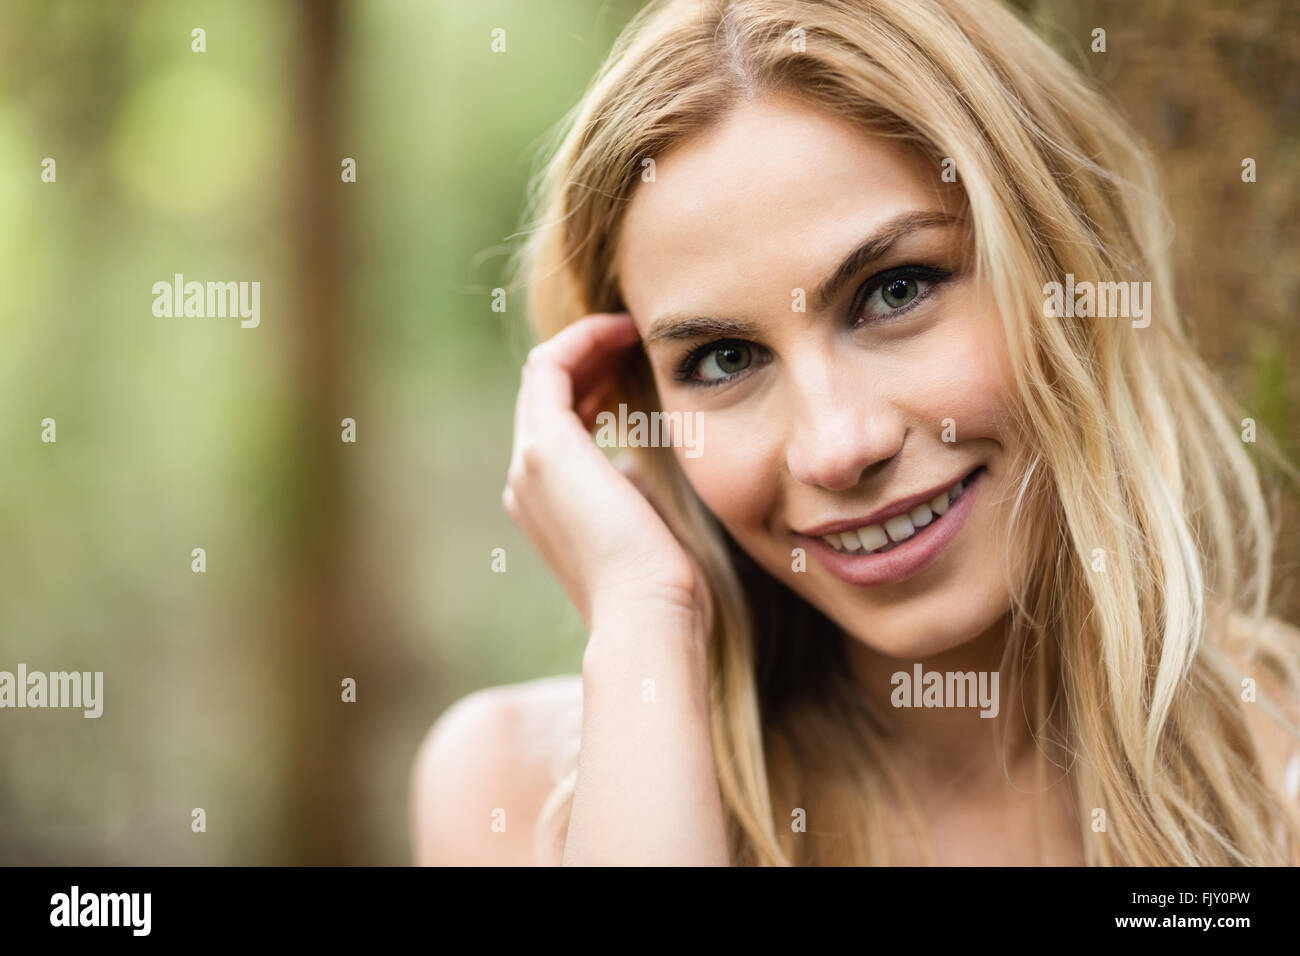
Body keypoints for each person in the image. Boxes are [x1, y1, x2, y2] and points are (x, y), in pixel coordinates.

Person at [412, 0, 1300, 866]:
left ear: (1063, 269)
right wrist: (645, 611)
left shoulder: (1281, 778)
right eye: (723, 359)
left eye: (896, 290)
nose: (836, 447)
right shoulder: (513, 792)